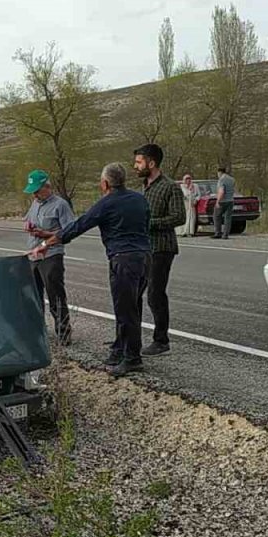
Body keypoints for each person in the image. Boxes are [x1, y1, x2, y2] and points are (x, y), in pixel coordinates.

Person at [30, 163, 150, 376]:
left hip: (123, 259)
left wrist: (47, 242)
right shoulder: (139, 199)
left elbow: (78, 226)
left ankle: (132, 358)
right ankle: (120, 348)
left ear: (105, 183)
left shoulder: (106, 203)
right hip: (145, 257)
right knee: (133, 306)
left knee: (125, 309)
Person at [133, 144, 184, 356]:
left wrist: (149, 223)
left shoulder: (170, 187)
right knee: (134, 293)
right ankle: (130, 338)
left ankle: (161, 340)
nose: (135, 166)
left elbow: (179, 217)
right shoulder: (144, 187)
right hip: (143, 247)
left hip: (162, 248)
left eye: (139, 162)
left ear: (151, 163)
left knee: (155, 294)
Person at [23, 169, 76, 344]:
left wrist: (45, 234)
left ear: (47, 187)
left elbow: (69, 231)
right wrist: (29, 226)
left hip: (52, 255)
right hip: (34, 254)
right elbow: (29, 220)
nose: (35, 195)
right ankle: (37, 331)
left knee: (55, 295)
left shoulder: (60, 205)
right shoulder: (35, 203)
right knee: (34, 295)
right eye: (33, 192)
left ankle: (63, 332)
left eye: (37, 191)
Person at [213, 166, 236, 239]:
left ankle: (218, 233)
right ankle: (225, 234)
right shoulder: (232, 179)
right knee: (228, 218)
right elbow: (233, 189)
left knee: (216, 216)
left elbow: (221, 191)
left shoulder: (221, 180)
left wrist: (218, 201)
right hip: (230, 200)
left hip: (222, 201)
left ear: (219, 172)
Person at [176, 174, 198, 238]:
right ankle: (182, 232)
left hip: (191, 203)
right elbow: (179, 194)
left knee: (191, 218)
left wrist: (196, 200)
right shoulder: (181, 186)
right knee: (184, 217)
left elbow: (198, 195)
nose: (188, 180)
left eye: (189, 179)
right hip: (184, 203)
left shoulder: (195, 186)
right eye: (186, 179)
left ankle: (190, 232)